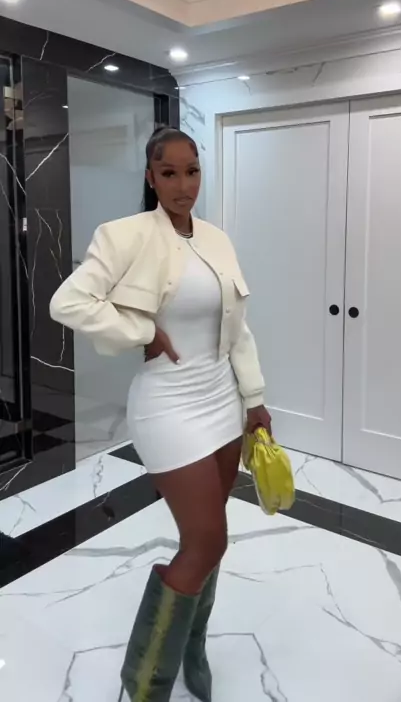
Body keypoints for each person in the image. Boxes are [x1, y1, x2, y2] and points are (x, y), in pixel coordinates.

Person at [50, 125, 271, 702]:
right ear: (150, 177)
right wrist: (142, 332)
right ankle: (145, 683)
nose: (182, 184)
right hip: (169, 406)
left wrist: (254, 399)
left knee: (212, 538)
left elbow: (238, 329)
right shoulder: (124, 235)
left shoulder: (217, 239)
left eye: (191, 171)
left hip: (222, 400)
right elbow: (68, 301)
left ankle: (191, 648)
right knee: (205, 541)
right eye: (168, 172)